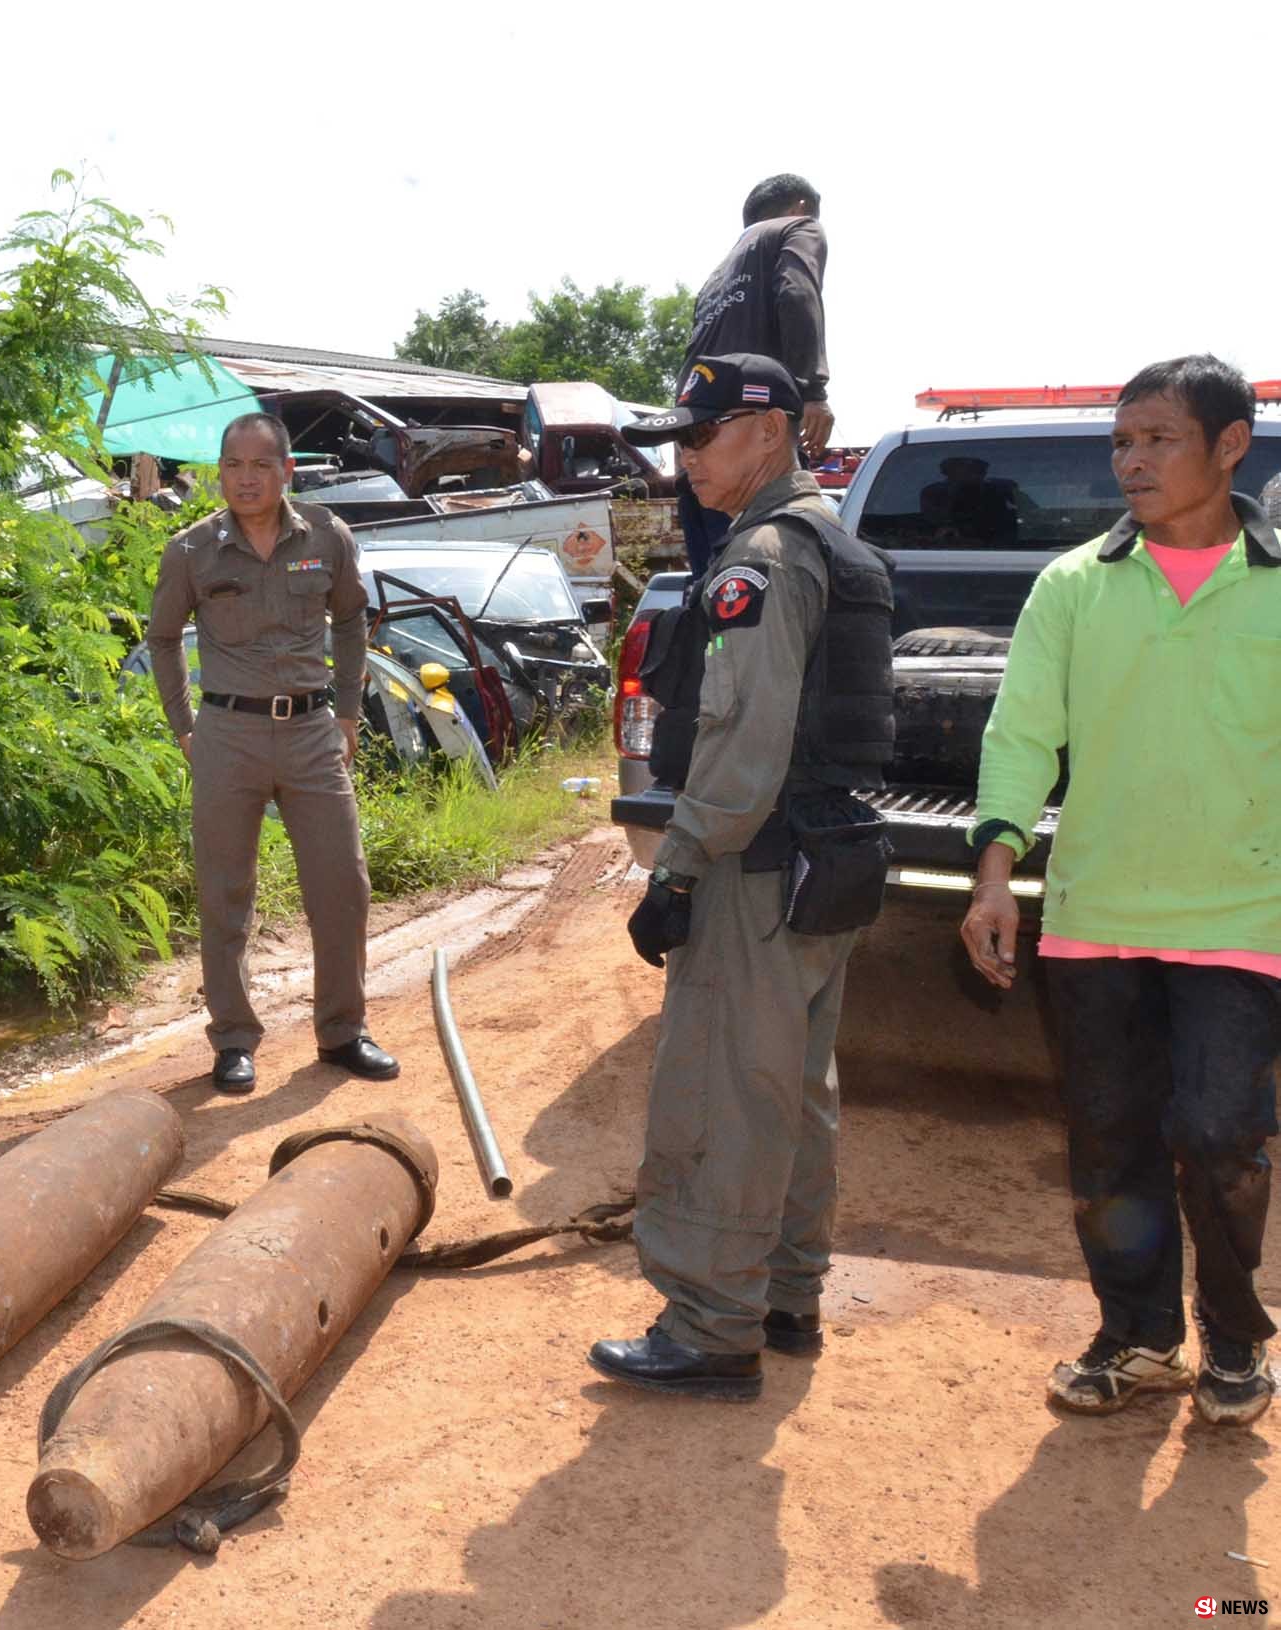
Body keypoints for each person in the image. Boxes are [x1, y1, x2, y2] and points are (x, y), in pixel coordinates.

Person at [962, 355, 1281, 1426]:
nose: (1131, 460)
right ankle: (1138, 1337)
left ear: (1230, 445)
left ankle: (1233, 1339)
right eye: (1120, 441)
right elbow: (1021, 738)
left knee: (1217, 1130)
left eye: (1158, 439)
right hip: (1095, 915)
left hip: (1243, 916)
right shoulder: (1073, 586)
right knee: (1107, 1138)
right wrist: (996, 874)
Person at [589, 353, 896, 1401]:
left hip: (754, 869)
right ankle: (781, 1295)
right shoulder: (834, 541)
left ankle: (712, 1326)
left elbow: (739, 737)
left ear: (768, 432)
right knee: (795, 1090)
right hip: (825, 862)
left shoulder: (762, 553)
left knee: (723, 1093)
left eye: (702, 434)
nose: (685, 457)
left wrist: (674, 868)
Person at [145, 412, 399, 1094]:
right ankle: (232, 1040)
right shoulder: (192, 551)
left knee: (340, 885)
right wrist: (183, 727)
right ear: (218, 474)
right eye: (233, 465)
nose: (247, 477)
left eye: (261, 464)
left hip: (312, 732)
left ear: (287, 469)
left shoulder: (326, 536)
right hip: (225, 736)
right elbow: (162, 637)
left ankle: (342, 1031)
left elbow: (351, 618)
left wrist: (348, 710)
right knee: (224, 893)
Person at [674, 174, 833, 581]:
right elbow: (797, 293)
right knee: (769, 584)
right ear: (800, 206)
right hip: (748, 446)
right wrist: (812, 390)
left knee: (712, 594)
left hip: (696, 451)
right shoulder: (799, 227)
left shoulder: (718, 273)